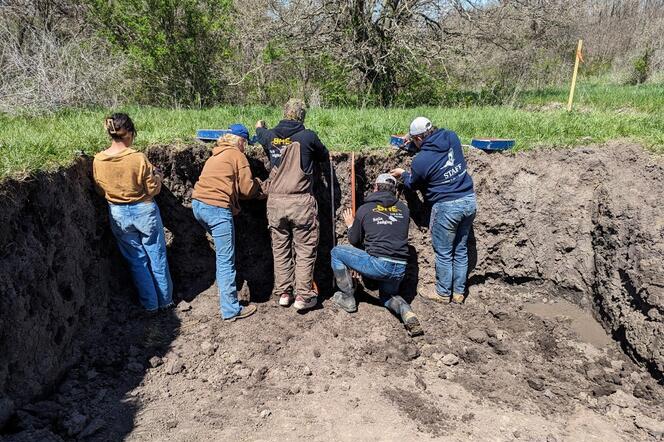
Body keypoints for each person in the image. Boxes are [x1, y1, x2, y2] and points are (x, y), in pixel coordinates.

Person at [93, 113, 173, 313]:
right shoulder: (137, 157)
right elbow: (152, 189)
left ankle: (150, 305)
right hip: (144, 210)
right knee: (157, 256)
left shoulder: (98, 159)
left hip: (117, 213)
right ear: (129, 133)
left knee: (136, 261)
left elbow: (99, 190)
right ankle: (165, 301)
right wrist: (158, 177)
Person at [391, 117, 476, 304]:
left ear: (419, 139)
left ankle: (443, 293)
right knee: (460, 248)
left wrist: (403, 174)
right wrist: (413, 141)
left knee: (444, 251)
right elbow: (434, 146)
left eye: (414, 139)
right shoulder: (451, 137)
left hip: (447, 207)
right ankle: (459, 293)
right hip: (469, 200)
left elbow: (413, 183)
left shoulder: (421, 161)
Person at [255, 99, 330, 311]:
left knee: (280, 249)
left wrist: (260, 125)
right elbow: (324, 156)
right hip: (300, 202)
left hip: (275, 203)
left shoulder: (269, 136)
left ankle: (284, 293)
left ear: (284, 113)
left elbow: (260, 131)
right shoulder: (308, 137)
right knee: (305, 249)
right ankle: (303, 296)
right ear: (302, 116)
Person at [330, 174, 423, 337]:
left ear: (375, 187)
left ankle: (347, 298)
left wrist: (351, 225)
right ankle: (406, 311)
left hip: (378, 265)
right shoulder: (404, 209)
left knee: (336, 252)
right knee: (387, 297)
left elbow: (354, 240)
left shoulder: (365, 209)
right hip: (399, 268)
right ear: (394, 190)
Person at [192, 124, 262, 321]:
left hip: (198, 205)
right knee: (225, 260)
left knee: (223, 255)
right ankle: (230, 309)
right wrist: (258, 185)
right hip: (216, 208)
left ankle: (225, 297)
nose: (245, 148)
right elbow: (247, 189)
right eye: (245, 143)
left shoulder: (216, 154)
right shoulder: (237, 155)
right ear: (240, 141)